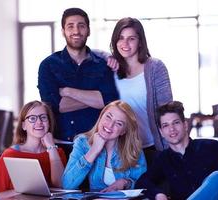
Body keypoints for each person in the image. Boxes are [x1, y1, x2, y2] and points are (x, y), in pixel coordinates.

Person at [136, 101, 218, 200]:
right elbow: (142, 182)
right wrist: (158, 194)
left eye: (176, 123)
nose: (171, 129)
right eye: (166, 125)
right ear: (161, 132)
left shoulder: (211, 147)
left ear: (185, 125)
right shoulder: (163, 159)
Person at [38, 8, 118, 143]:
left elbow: (108, 101)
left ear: (88, 30)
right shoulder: (48, 65)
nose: (76, 31)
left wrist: (67, 91)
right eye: (70, 26)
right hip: (60, 143)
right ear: (63, 31)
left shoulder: (103, 66)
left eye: (81, 26)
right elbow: (55, 106)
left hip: (96, 142)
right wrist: (95, 98)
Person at [109, 17, 173, 164]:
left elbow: (166, 110)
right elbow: (90, 52)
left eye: (131, 38)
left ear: (140, 42)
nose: (125, 44)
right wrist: (107, 56)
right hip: (121, 150)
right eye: (121, 38)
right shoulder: (110, 69)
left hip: (152, 146)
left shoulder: (155, 67)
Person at [0, 100, 66, 200]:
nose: (39, 122)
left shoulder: (57, 152)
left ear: (49, 123)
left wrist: (51, 147)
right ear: (24, 125)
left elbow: (60, 185)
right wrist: (24, 190)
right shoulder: (11, 155)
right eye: (32, 118)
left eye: (43, 117)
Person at [61, 100, 147, 191]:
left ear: (123, 131)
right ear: (101, 116)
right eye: (108, 117)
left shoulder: (133, 149)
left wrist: (126, 183)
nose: (110, 125)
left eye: (119, 123)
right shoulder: (82, 143)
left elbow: (145, 184)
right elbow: (67, 185)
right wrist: (93, 151)